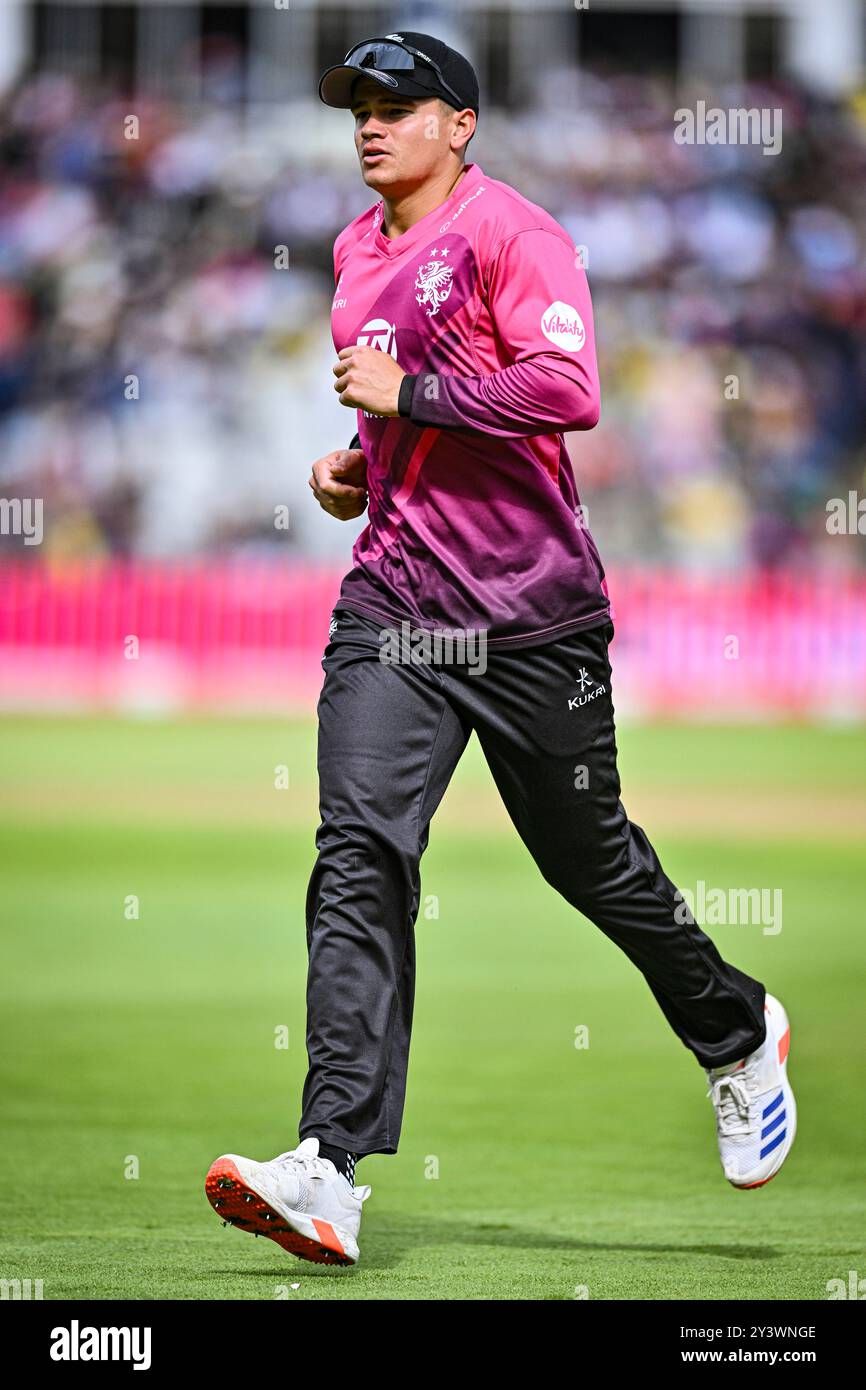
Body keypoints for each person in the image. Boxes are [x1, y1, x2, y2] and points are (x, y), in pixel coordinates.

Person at [205, 32, 796, 1268]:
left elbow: (564, 391)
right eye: (357, 107)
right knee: (359, 853)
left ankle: (735, 1031)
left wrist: (403, 403)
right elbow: (405, 418)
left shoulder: (512, 233)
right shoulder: (352, 251)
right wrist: (353, 471)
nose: (369, 124)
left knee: (592, 868)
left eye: (397, 105)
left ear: (459, 124)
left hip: (532, 620)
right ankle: (329, 1166)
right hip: (396, 611)